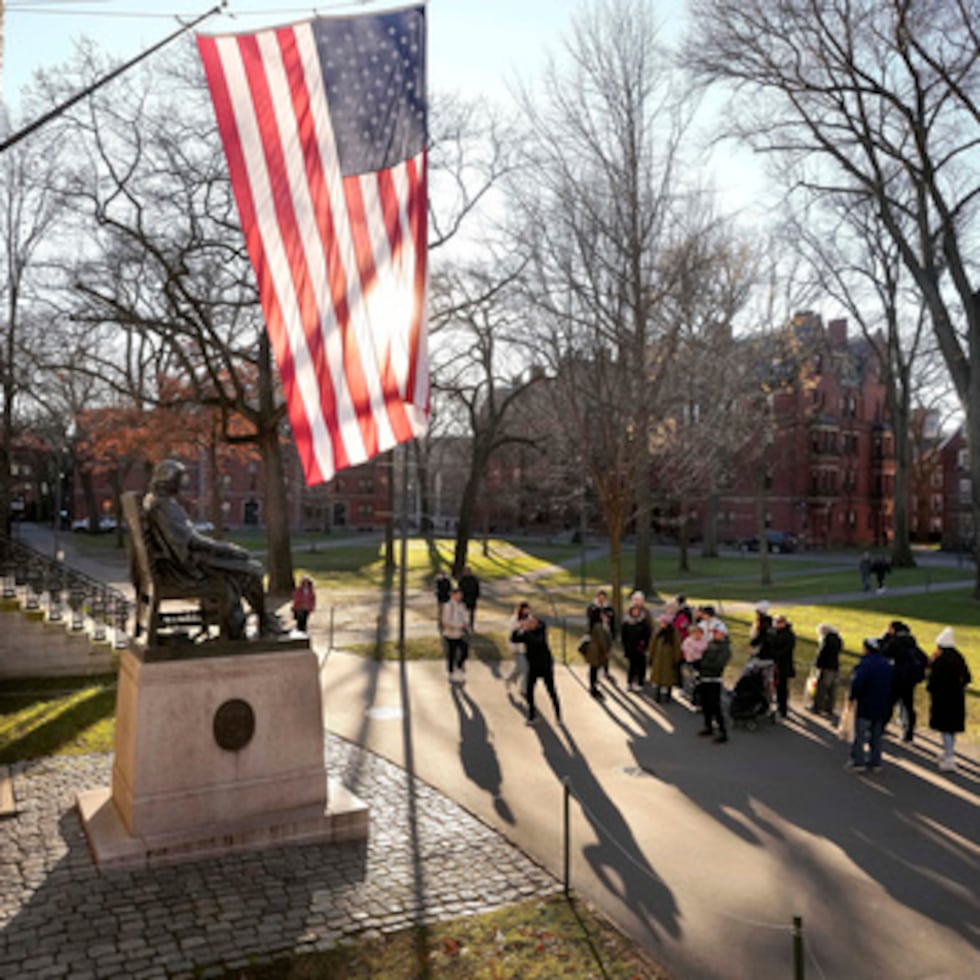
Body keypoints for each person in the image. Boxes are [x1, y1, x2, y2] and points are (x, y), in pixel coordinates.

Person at [142, 458, 281, 639]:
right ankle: (256, 625)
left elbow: (188, 539)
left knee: (242, 567)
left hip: (176, 564)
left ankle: (246, 624)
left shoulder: (155, 501)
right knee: (249, 570)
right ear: (169, 480)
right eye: (179, 478)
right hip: (185, 568)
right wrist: (228, 549)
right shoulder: (165, 506)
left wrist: (226, 550)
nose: (183, 483)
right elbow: (193, 542)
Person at [845, 637, 893, 773]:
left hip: (866, 704)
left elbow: (857, 683)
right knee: (876, 735)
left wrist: (852, 697)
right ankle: (875, 761)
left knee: (860, 734)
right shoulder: (887, 665)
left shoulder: (865, 665)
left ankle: (858, 760)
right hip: (882, 705)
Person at [927, 627, 971, 772]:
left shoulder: (940, 662)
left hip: (942, 700)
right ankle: (948, 752)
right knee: (952, 728)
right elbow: (967, 677)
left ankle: (949, 757)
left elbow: (933, 681)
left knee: (945, 728)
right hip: (957, 698)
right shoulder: (958, 658)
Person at [511, 607, 561, 726]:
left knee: (551, 690)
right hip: (533, 666)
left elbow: (538, 641)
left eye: (532, 622)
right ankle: (532, 715)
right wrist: (518, 628)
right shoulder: (526, 633)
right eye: (529, 622)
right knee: (529, 691)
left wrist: (527, 630)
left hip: (545, 666)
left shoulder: (541, 630)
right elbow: (513, 639)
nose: (530, 623)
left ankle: (558, 714)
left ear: (537, 623)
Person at [879, 620, 928, 742]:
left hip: (897, 678)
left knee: (889, 704)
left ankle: (880, 728)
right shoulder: (912, 643)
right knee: (908, 706)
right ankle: (909, 733)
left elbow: (884, 652)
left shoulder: (895, 642)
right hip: (909, 681)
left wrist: (886, 638)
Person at [697, 619, 731, 743]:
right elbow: (703, 657)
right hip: (704, 677)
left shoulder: (725, 649)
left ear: (723, 634)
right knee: (705, 704)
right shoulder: (711, 644)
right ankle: (708, 726)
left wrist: (703, 664)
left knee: (715, 706)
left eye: (717, 633)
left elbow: (718, 664)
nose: (715, 634)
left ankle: (723, 732)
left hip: (714, 679)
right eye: (714, 632)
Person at [620, 594, 652, 692]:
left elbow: (648, 633)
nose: (635, 612)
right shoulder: (627, 622)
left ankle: (640, 683)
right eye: (633, 611)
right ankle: (630, 682)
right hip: (630, 647)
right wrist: (625, 646)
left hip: (640, 647)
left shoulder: (643, 620)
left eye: (637, 611)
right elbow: (623, 635)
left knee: (641, 665)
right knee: (632, 666)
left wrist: (645, 644)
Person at [649, 611, 682, 703]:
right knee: (658, 678)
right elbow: (652, 644)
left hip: (669, 659)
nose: (661, 624)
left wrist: (676, 659)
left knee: (668, 678)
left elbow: (677, 646)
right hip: (658, 659)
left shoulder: (674, 633)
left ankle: (668, 695)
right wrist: (651, 655)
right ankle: (657, 694)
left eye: (663, 623)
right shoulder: (658, 632)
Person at [769, 614, 797, 718]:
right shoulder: (773, 632)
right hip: (773, 663)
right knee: (773, 685)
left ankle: (783, 708)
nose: (776, 625)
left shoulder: (789, 635)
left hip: (783, 664)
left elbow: (787, 650)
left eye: (779, 623)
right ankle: (776, 703)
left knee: (782, 687)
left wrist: (774, 654)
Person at [812, 624, 842, 717]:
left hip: (826, 666)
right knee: (832, 689)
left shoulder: (826, 639)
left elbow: (822, 652)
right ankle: (829, 708)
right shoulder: (838, 639)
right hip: (835, 666)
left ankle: (817, 707)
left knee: (822, 687)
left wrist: (816, 663)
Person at [441, 586, 469, 682]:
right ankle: (451, 672)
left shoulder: (462, 605)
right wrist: (458, 626)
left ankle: (458, 667)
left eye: (461, 594)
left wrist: (465, 624)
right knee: (452, 654)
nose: (460, 596)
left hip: (461, 633)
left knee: (464, 651)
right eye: (458, 594)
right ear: (453, 595)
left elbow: (465, 616)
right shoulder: (448, 606)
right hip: (451, 634)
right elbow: (445, 621)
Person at [583, 612, 613, 699]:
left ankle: (593, 687)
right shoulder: (599, 626)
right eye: (602, 615)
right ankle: (593, 688)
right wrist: (606, 651)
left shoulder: (596, 625)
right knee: (594, 670)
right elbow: (602, 640)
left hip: (593, 650)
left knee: (593, 669)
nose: (604, 616)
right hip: (597, 651)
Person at [680, 622, 708, 704]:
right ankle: (685, 690)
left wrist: (698, 651)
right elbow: (684, 647)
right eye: (695, 634)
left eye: (699, 634)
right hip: (689, 661)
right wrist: (693, 650)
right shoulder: (688, 640)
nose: (697, 636)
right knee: (688, 677)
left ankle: (695, 695)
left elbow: (704, 649)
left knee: (697, 679)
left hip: (699, 662)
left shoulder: (703, 641)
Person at [505, 601, 530, 691]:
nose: (526, 611)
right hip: (517, 649)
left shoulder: (530, 619)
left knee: (527, 669)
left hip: (527, 648)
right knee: (520, 668)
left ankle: (523, 688)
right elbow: (511, 636)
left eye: (528, 609)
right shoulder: (514, 620)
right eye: (525, 609)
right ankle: (510, 679)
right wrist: (512, 649)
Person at [458, 566, 480, 630]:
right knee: (463, 613)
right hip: (464, 598)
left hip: (472, 598)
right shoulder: (462, 580)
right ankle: (463, 625)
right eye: (465, 571)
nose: (466, 573)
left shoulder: (474, 579)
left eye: (467, 571)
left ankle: (471, 625)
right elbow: (459, 589)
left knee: (471, 613)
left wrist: (476, 596)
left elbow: (477, 588)